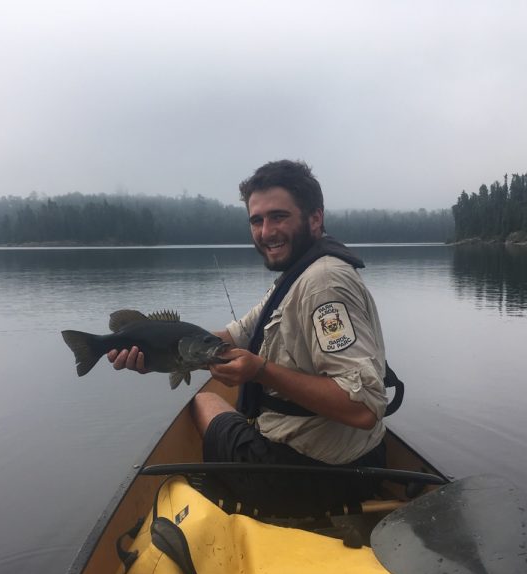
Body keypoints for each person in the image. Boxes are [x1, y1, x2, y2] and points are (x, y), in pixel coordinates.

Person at [109, 160, 389, 473]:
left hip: (312, 469)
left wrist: (260, 371)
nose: (266, 232)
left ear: (315, 218)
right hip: (350, 455)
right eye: (256, 220)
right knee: (212, 402)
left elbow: (364, 407)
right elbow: (240, 332)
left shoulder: (323, 283)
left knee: (203, 403)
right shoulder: (299, 274)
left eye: (279, 217)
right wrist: (164, 352)